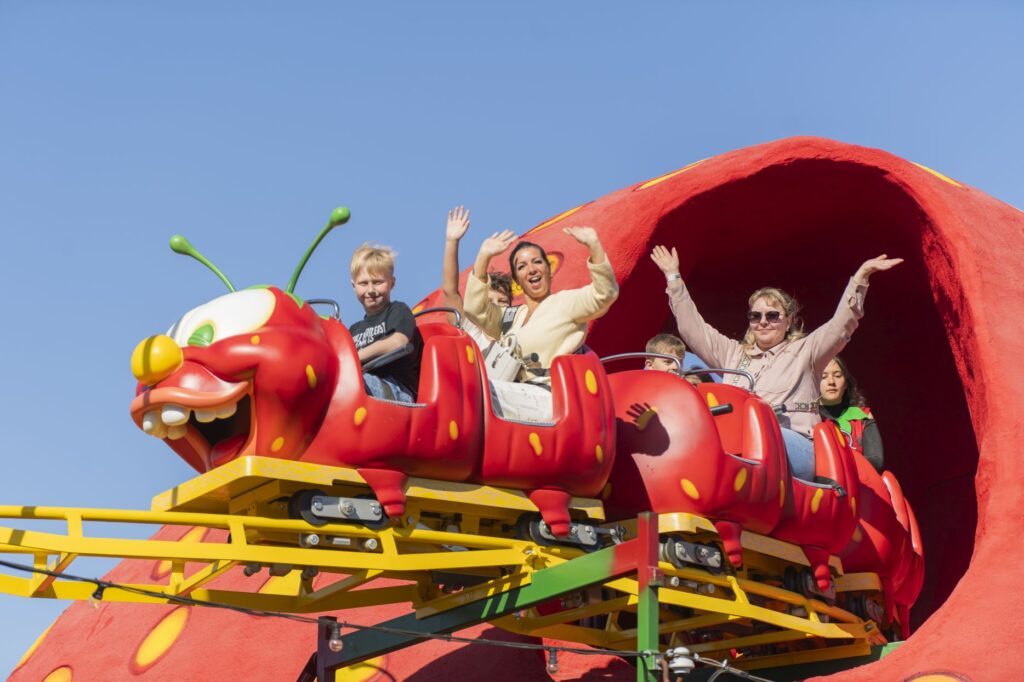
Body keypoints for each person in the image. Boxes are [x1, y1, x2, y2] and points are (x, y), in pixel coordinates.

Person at [650, 244, 901, 481]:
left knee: (757, 439)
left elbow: (841, 324)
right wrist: (674, 278)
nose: (763, 322)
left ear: (788, 320)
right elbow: (693, 329)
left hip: (794, 445)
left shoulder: (807, 351)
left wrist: (860, 279)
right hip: (738, 443)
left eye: (772, 316)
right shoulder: (733, 354)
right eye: (755, 316)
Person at [456, 224, 619, 420]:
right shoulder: (512, 316)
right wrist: (484, 256)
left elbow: (605, 294)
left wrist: (594, 245)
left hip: (550, 400)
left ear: (548, 270)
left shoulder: (566, 303)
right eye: (522, 267)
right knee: (461, 388)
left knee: (475, 392)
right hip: (513, 396)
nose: (531, 269)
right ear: (517, 281)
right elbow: (474, 309)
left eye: (537, 262)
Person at [348, 243, 423, 402]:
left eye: (377, 282)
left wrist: (355, 357)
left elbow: (398, 342)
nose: (371, 290)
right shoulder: (354, 330)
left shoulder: (398, 311)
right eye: (363, 283)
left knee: (347, 383)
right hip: (363, 382)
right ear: (354, 286)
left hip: (397, 390)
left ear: (392, 283)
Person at [820, 356, 884, 472]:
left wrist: (840, 461)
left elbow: (876, 461)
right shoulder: (808, 415)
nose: (831, 382)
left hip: (858, 480)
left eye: (837, 376)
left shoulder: (862, 415)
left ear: (845, 383)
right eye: (823, 377)